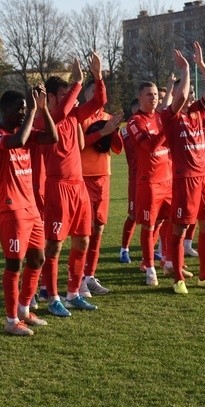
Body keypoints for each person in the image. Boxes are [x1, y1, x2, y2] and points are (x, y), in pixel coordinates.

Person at [0, 87, 57, 336]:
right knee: (14, 264)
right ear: (4, 110)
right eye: (19, 109)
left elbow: (52, 137)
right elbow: (17, 142)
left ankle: (25, 308)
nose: (23, 113)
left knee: (38, 258)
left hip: (30, 207)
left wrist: (43, 108)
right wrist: (32, 112)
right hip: (9, 207)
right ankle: (10, 319)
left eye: (25, 109)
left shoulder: (24, 129)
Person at [40, 53, 106, 315]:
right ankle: (52, 296)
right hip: (57, 187)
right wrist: (78, 81)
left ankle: (73, 292)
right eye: (65, 92)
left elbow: (99, 101)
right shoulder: (48, 117)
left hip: (78, 187)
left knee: (82, 240)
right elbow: (62, 111)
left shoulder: (74, 116)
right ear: (53, 97)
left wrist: (97, 77)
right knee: (55, 244)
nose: (71, 95)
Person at [161, 42, 205, 294]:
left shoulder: (198, 110)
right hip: (185, 178)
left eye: (190, 93)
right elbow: (178, 98)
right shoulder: (169, 115)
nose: (189, 95)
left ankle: (204, 275)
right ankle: (178, 277)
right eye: (186, 92)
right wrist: (186, 71)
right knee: (179, 227)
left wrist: (200, 64)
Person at [126, 51, 191, 286]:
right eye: (148, 95)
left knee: (172, 222)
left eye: (155, 94)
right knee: (149, 225)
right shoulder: (135, 122)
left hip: (168, 180)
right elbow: (150, 146)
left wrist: (185, 74)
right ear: (140, 97)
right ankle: (149, 268)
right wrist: (166, 128)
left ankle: (169, 262)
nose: (153, 98)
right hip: (149, 182)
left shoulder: (161, 116)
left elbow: (177, 104)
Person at [78, 82, 123, 296]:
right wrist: (102, 131)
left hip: (104, 177)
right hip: (83, 179)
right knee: (84, 231)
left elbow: (117, 148)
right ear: (85, 94)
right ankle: (78, 280)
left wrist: (114, 130)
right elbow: (78, 144)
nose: (96, 96)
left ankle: (90, 275)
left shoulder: (107, 117)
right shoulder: (79, 117)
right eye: (92, 92)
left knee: (99, 228)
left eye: (99, 93)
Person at [118, 99, 140, 263]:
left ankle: (152, 250)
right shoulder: (127, 130)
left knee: (157, 217)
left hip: (155, 177)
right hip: (136, 177)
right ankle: (124, 249)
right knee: (133, 215)